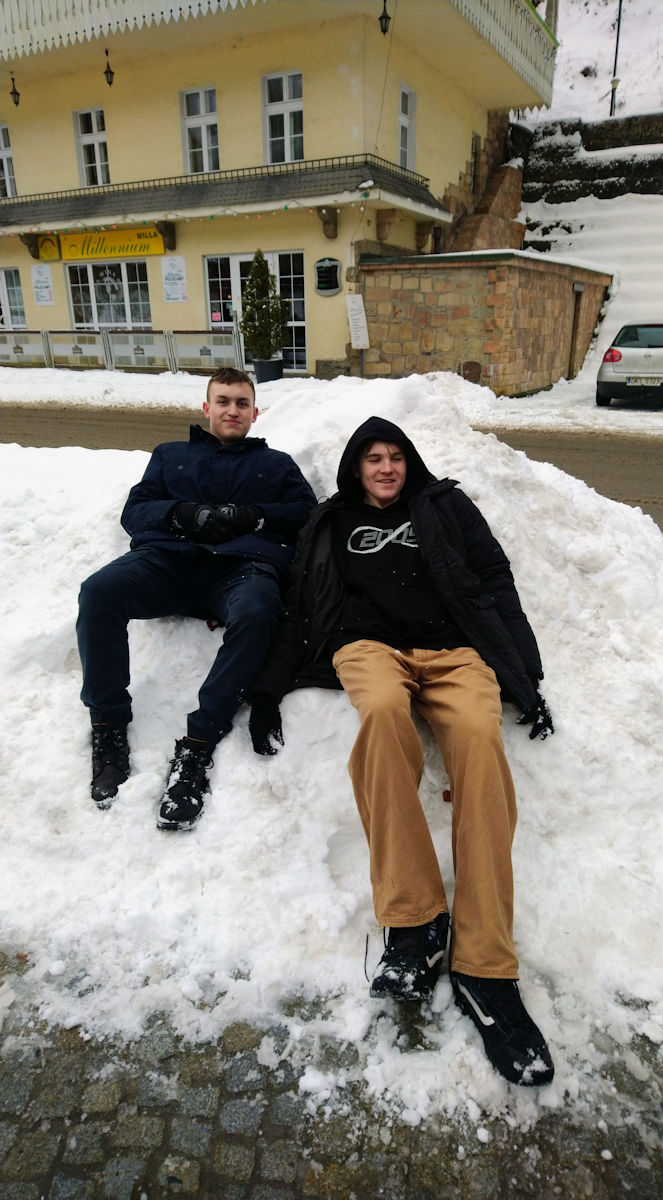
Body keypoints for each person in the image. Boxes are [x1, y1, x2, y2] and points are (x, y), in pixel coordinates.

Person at [248, 416, 555, 1087]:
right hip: (368, 649)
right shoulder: (330, 522)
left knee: (479, 742)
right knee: (384, 718)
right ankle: (415, 923)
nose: (385, 468)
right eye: (372, 459)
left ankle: (485, 966)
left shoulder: (445, 506)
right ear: (355, 468)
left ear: (408, 461)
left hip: (454, 652)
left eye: (394, 457)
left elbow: (494, 581)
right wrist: (267, 690)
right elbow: (300, 606)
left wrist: (524, 678)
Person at [77, 366, 316, 831]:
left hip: (243, 567)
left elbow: (306, 514)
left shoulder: (277, 464)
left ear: (255, 412)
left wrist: (252, 516)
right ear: (207, 408)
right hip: (168, 562)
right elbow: (135, 512)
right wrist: (182, 513)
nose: (232, 410)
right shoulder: (170, 455)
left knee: (258, 612)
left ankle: (198, 745)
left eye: (242, 403)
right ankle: (108, 728)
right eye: (223, 401)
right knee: (98, 592)